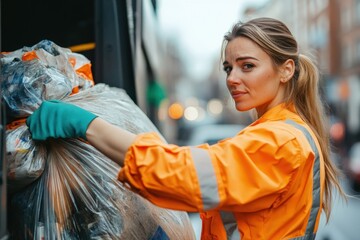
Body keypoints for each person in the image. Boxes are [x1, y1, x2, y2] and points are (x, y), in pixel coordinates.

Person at [26, 17, 346, 239]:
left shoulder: (279, 141)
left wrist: (86, 124)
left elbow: (183, 175)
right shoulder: (282, 132)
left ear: (285, 70)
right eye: (228, 67)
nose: (232, 78)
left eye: (247, 66)